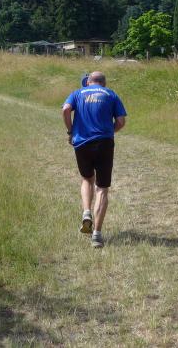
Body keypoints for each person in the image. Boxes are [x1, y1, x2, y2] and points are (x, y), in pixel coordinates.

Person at [61, 71, 127, 248]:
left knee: (87, 179)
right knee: (102, 188)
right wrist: (110, 131)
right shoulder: (111, 94)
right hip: (104, 143)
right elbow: (121, 121)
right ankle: (97, 235)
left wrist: (71, 131)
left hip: (82, 142)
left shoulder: (77, 93)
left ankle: (86, 213)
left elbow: (66, 109)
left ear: (88, 82)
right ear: (103, 83)